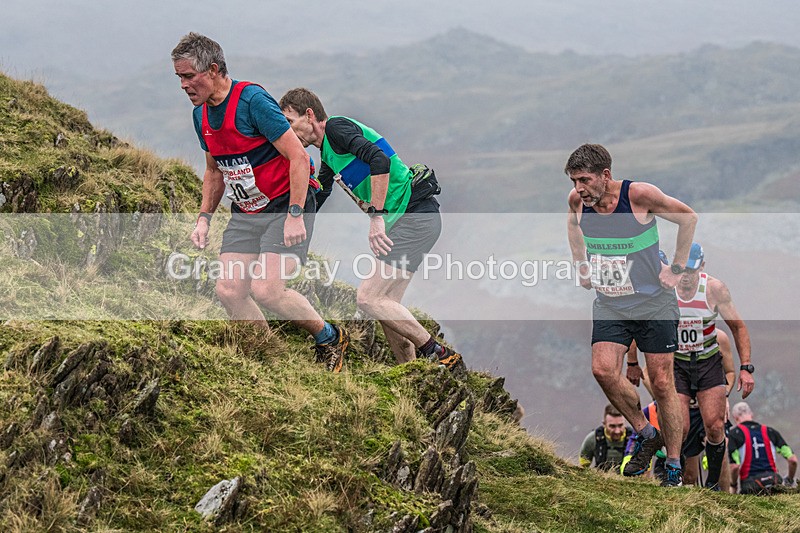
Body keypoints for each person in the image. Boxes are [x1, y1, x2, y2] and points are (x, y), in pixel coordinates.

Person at [171, 33, 348, 371]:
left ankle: (329, 336)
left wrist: (296, 214)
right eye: (179, 77)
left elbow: (298, 156)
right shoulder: (201, 117)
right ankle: (270, 358)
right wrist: (203, 218)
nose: (183, 85)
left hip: (286, 204)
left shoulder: (252, 101)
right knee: (229, 290)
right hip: (247, 211)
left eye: (188, 76)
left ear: (213, 69)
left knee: (267, 290)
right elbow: (213, 171)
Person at [278, 88, 463, 371]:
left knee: (368, 298)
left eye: (290, 122)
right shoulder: (327, 154)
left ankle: (438, 353)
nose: (289, 132)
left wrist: (376, 218)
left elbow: (380, 160)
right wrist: (294, 225)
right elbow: (319, 197)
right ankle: (411, 376)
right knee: (387, 306)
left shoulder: (336, 128)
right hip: (415, 219)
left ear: (310, 115)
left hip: (413, 215)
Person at [565, 143, 698, 487]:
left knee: (664, 383)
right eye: (574, 180)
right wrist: (581, 265)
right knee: (603, 370)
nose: (579, 188)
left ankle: (671, 465)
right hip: (611, 302)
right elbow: (573, 226)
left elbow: (687, 216)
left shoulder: (638, 196)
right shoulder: (577, 201)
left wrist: (678, 268)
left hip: (654, 303)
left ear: (605, 176)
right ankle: (645, 432)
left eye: (584, 179)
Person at [670, 242, 755, 490]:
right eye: (681, 270)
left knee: (716, 426)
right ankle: (675, 480)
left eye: (691, 271)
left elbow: (738, 327)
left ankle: (712, 486)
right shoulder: (666, 286)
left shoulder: (714, 289)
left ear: (702, 267)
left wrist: (746, 368)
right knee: (681, 427)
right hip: (678, 363)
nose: (685, 277)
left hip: (707, 361)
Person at [728, 402, 797, 495]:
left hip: (750, 486)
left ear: (735, 418)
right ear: (751, 414)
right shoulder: (770, 432)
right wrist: (790, 480)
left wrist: (733, 485)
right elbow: (793, 460)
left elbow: (734, 466)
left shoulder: (734, 434)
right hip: (774, 482)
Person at [580, 404, 632, 472]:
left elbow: (646, 470)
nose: (617, 431)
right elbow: (582, 468)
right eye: (612, 426)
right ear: (604, 424)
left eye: (620, 425)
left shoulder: (636, 439)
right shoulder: (592, 439)